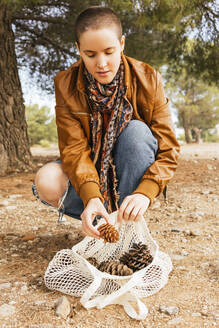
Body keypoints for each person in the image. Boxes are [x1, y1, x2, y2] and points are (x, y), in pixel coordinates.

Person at [32, 6, 180, 239]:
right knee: (47, 180)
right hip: (89, 169)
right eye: (90, 54)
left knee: (137, 132)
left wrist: (144, 193)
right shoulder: (65, 84)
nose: (101, 63)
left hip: (131, 171)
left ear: (122, 44)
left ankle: (127, 224)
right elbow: (74, 149)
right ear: (78, 49)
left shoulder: (149, 78)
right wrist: (91, 196)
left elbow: (169, 150)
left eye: (109, 52)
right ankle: (101, 220)